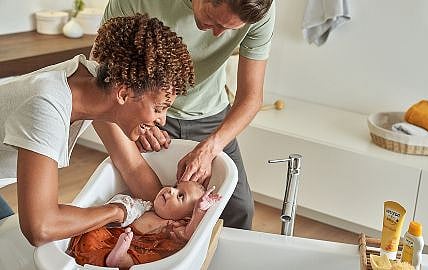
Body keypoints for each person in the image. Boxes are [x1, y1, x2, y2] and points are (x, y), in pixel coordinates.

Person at [0, 14, 195, 246]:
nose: (162, 120)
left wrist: (174, 218)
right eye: (158, 108)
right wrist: (119, 211)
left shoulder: (97, 84)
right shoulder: (47, 106)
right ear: (123, 94)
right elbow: (40, 227)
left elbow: (133, 168)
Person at [97, 0, 276, 230]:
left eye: (230, 29)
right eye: (214, 20)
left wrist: (211, 147)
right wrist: (139, 116)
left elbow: (251, 98)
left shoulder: (259, 9)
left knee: (239, 211)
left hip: (212, 118)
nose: (219, 34)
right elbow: (101, 79)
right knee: (135, 204)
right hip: (144, 108)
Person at [67, 181, 221, 269]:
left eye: (180, 196)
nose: (171, 191)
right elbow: (125, 211)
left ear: (187, 216)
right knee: (94, 233)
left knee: (150, 259)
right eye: (175, 186)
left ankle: (120, 259)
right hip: (118, 235)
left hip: (146, 247)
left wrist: (199, 211)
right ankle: (111, 255)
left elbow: (190, 235)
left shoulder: (175, 225)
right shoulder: (146, 206)